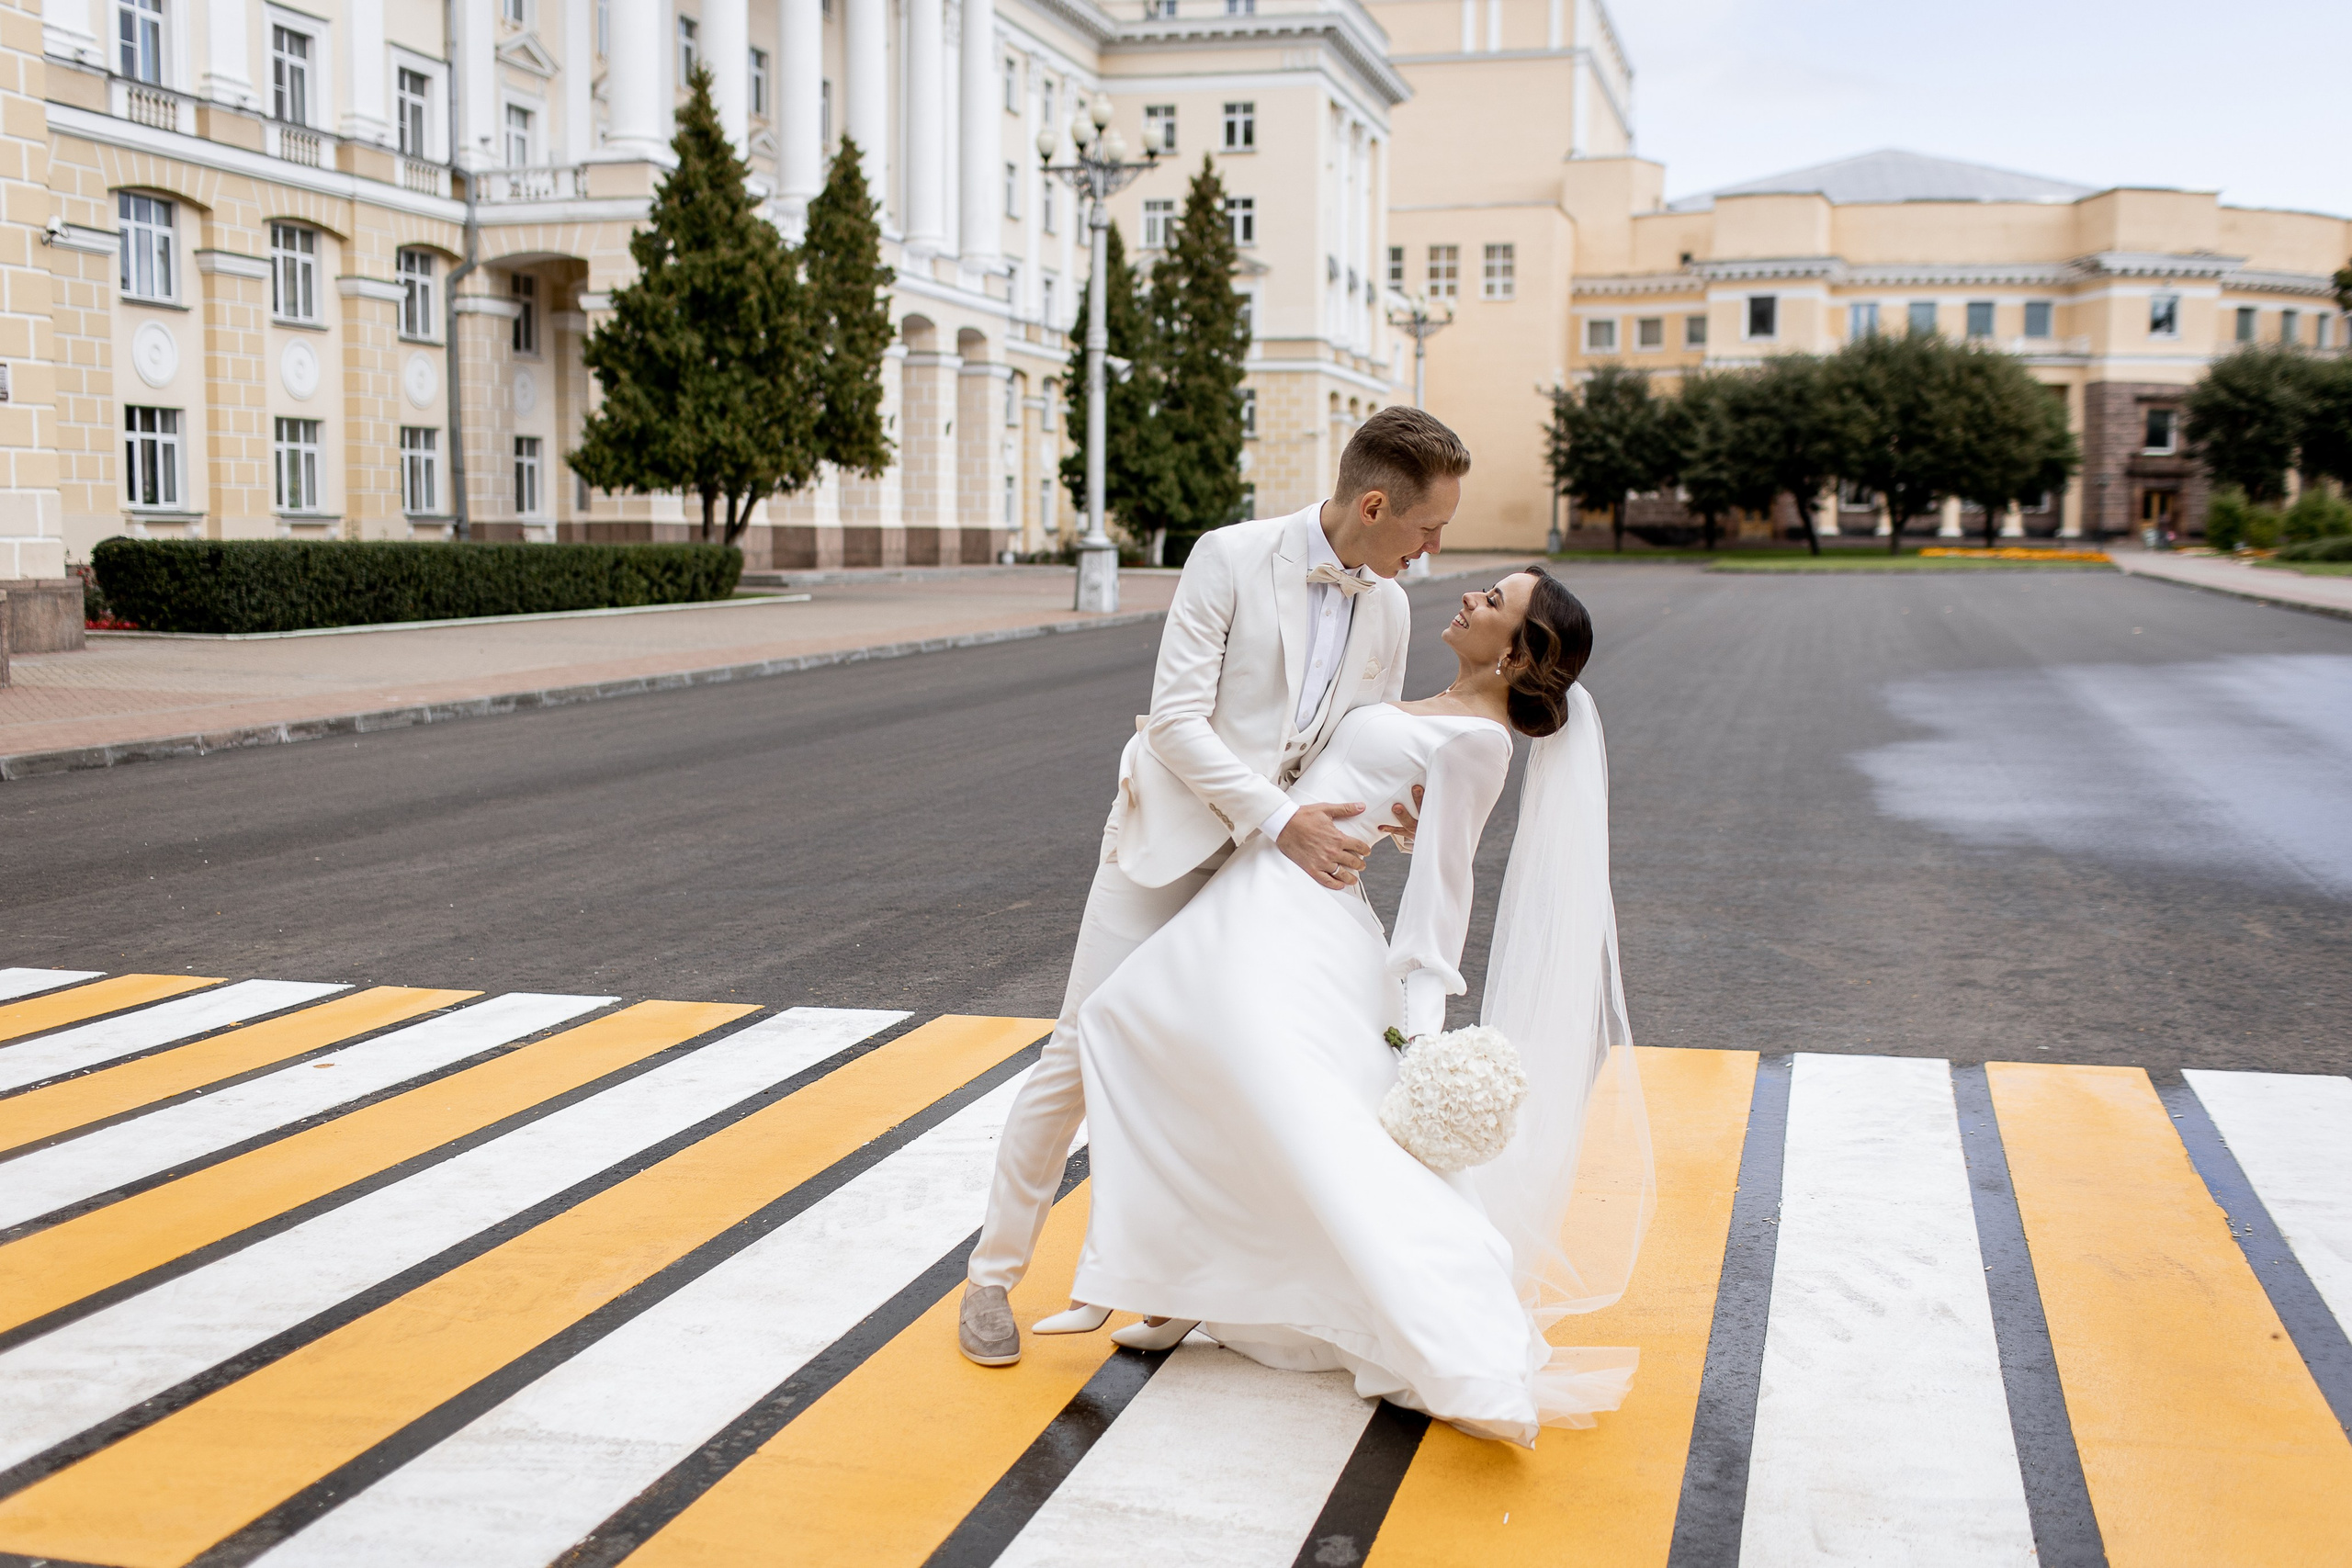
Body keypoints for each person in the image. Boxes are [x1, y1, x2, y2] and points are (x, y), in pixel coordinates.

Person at [1068, 567, 1653, 1445]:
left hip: (1296, 912)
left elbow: (1443, 893)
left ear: (1518, 654)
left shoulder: (1480, 743)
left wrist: (1419, 1037)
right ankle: (1175, 1277)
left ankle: (1441, 1331)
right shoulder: (1438, 704)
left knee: (1231, 1077)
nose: (1471, 598)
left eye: (1495, 602)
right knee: (1132, 1027)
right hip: (1269, 886)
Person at [958, 408, 1475, 1368]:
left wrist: (1386, 813)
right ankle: (991, 1279)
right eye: (1427, 527)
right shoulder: (1230, 556)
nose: (1433, 549)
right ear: (1374, 505)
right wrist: (1281, 821)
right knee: (1079, 1050)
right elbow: (1175, 724)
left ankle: (1183, 1287)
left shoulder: (1391, 606)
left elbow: (1352, 740)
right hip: (1170, 841)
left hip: (1274, 873)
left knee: (1235, 1066)